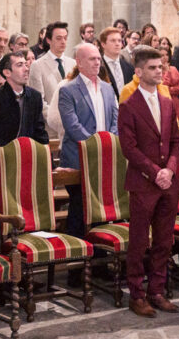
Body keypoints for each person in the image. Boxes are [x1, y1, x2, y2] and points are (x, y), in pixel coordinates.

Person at [117, 45, 179, 317]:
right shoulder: (129, 106)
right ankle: (137, 294)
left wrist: (170, 169)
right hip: (144, 182)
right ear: (139, 71)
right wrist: (156, 172)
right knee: (139, 240)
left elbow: (176, 142)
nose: (160, 72)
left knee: (164, 241)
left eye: (161, 67)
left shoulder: (168, 102)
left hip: (168, 183)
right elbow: (129, 148)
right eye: (154, 68)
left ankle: (157, 290)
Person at [0, 50, 49, 254]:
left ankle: (25, 268)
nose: (26, 68)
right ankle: (2, 269)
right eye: (20, 65)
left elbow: (40, 132)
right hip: (1, 168)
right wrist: (6, 149)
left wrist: (42, 153)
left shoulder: (34, 97)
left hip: (28, 168)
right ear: (6, 72)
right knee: (1, 218)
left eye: (26, 64)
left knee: (26, 216)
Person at [59, 43, 119, 239]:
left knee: (101, 209)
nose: (97, 62)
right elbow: (73, 125)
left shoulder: (108, 88)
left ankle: (100, 259)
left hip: (105, 158)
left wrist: (109, 142)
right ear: (79, 62)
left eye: (98, 59)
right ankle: (77, 263)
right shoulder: (68, 90)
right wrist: (96, 147)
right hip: (78, 158)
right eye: (92, 59)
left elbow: (116, 119)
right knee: (79, 208)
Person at [28, 21, 71, 125]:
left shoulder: (73, 63)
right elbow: (39, 101)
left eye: (65, 38)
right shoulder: (37, 65)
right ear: (48, 40)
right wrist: (58, 120)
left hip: (73, 126)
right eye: (58, 38)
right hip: (51, 127)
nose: (63, 41)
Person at [158, 46, 179, 117]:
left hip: (175, 102)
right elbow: (162, 88)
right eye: (162, 55)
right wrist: (167, 72)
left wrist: (170, 89)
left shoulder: (173, 69)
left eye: (166, 55)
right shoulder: (157, 71)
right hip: (163, 103)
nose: (165, 57)